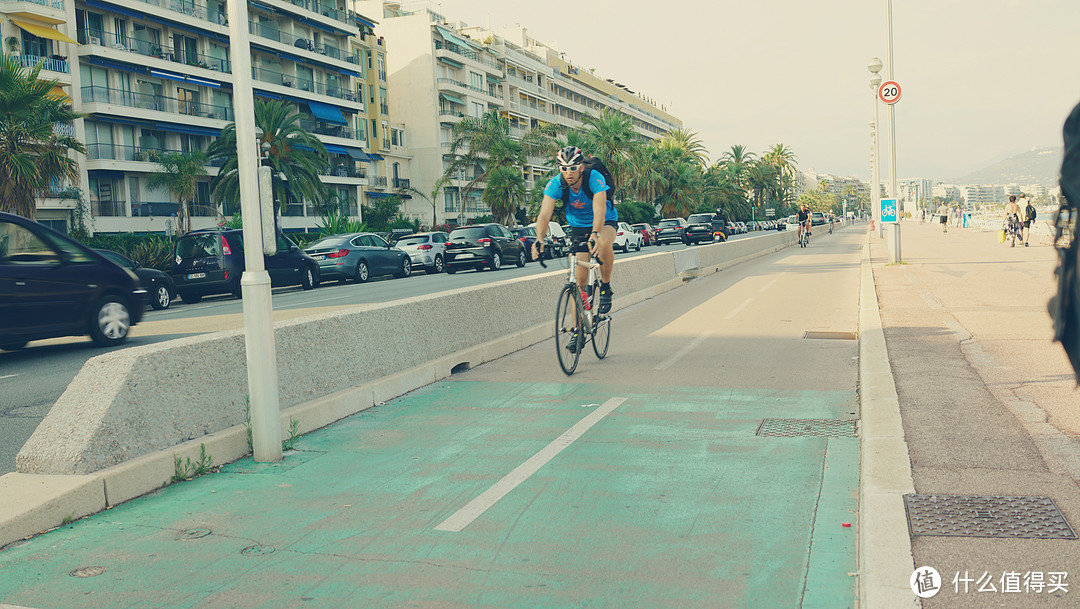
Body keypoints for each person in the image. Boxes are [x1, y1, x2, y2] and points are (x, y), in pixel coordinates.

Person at [533, 147, 618, 348]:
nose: (568, 172)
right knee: (578, 285)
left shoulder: (593, 178)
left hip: (604, 222)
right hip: (578, 227)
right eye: (564, 168)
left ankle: (605, 287)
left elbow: (600, 208)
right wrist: (539, 238)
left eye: (572, 167)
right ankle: (578, 331)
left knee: (604, 244)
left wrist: (595, 234)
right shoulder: (556, 183)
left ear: (580, 167)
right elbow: (544, 214)